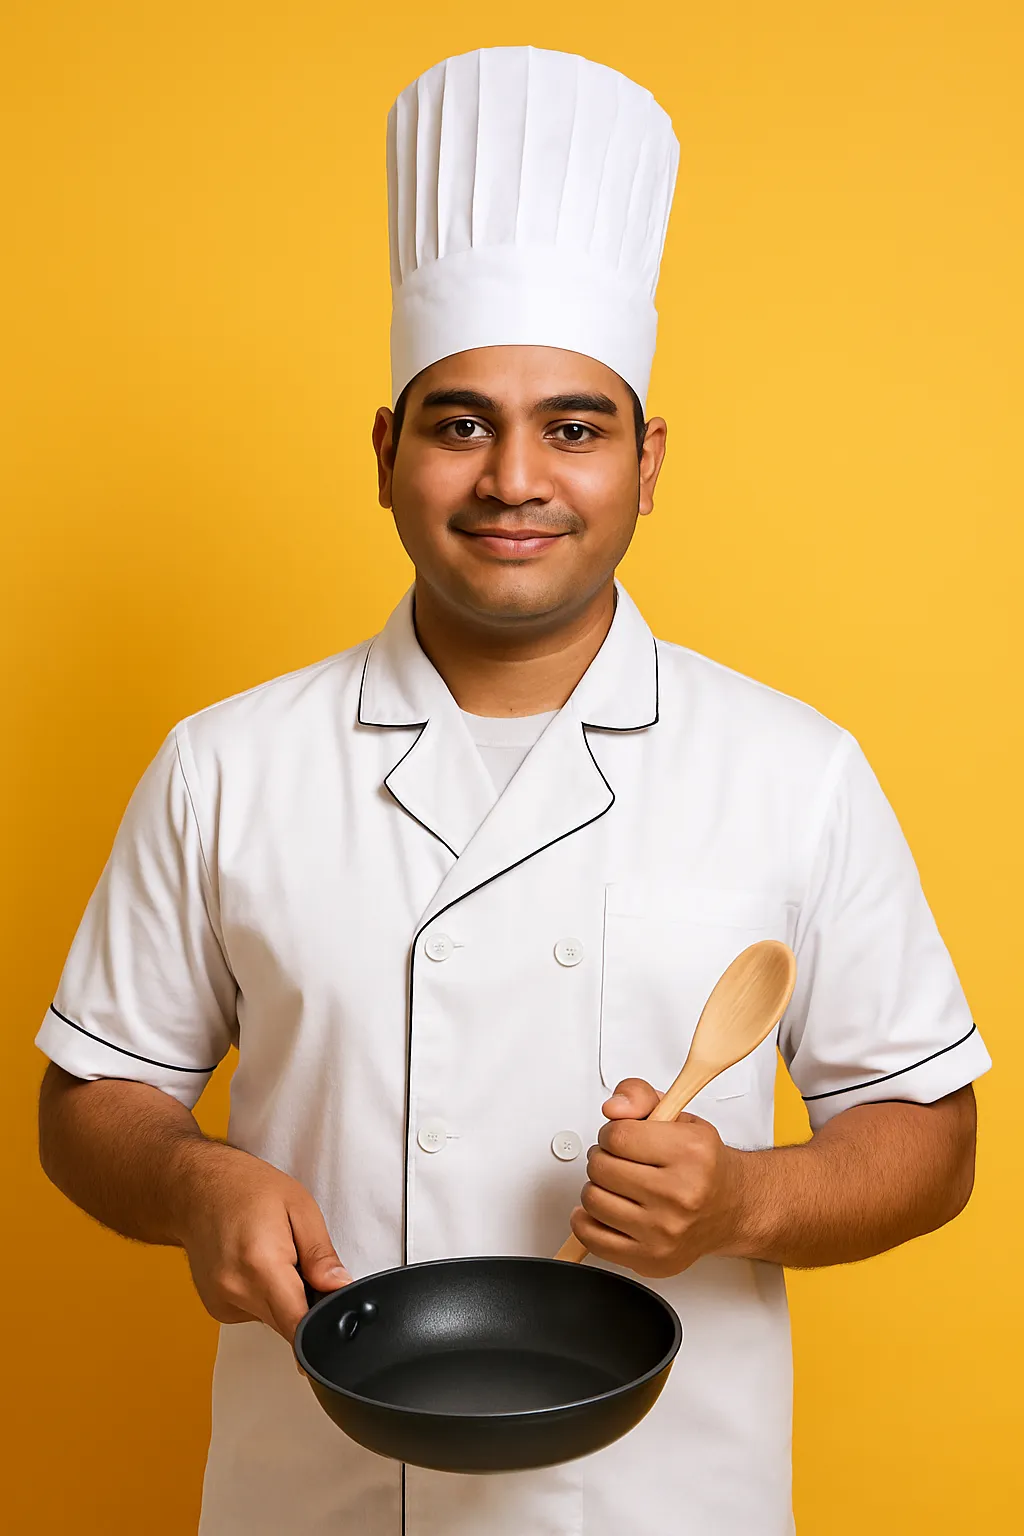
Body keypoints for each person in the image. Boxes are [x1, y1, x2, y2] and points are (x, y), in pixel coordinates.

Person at [36, 45, 990, 1536]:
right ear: (387, 452)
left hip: (669, 1504)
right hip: (320, 1495)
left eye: (576, 426)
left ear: (649, 463)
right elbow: (94, 1097)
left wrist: (743, 1203)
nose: (515, 479)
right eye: (462, 421)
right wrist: (191, 1182)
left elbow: (927, 1138)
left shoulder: (795, 770)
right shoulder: (225, 763)